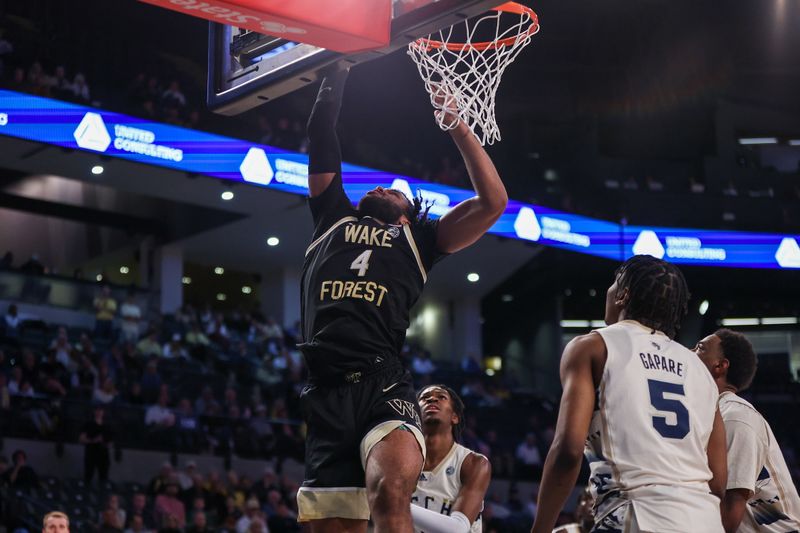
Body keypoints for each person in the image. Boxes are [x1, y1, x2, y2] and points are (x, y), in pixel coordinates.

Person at [297, 70, 507, 533]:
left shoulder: (422, 241)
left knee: (391, 495)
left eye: (391, 189)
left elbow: (493, 202)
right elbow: (320, 131)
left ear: (409, 213)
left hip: (382, 381)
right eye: (374, 187)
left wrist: (455, 123)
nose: (377, 187)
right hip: (326, 388)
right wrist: (339, 69)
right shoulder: (330, 215)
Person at [530, 255, 727, 533]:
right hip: (705, 519)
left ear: (623, 295)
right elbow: (718, 481)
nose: (608, 292)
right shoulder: (700, 369)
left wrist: (540, 528)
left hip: (638, 513)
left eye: (613, 285)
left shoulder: (593, 346)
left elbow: (568, 450)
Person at [695, 329, 800, 532]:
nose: (690, 352)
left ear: (720, 365)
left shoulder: (734, 416)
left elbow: (730, 509)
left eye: (700, 348)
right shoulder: (713, 412)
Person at [410, 385, 490, 533]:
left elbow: (458, 529)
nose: (432, 399)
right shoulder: (402, 461)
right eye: (425, 398)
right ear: (415, 414)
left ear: (455, 417)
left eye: (441, 397)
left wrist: (391, 501)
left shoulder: (473, 463)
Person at [80, 404, 114, 483]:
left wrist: (107, 444)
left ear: (103, 412)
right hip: (91, 454)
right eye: (97, 410)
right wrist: (94, 440)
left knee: (103, 478)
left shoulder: (107, 426)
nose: (99, 412)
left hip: (104, 455)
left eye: (101, 410)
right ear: (94, 412)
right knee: (88, 476)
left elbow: (111, 442)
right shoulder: (88, 424)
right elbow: (81, 439)